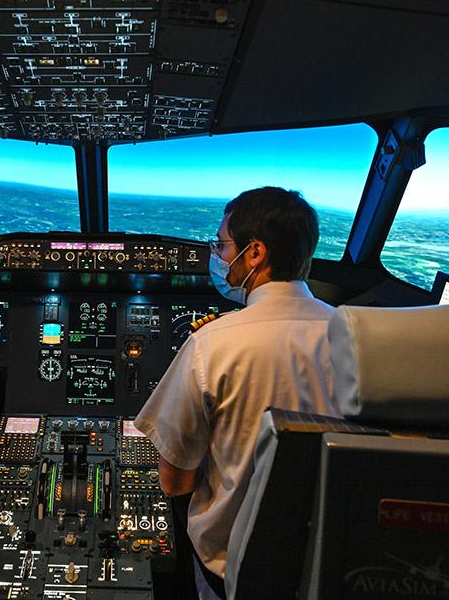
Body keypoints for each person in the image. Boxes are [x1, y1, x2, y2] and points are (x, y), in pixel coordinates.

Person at [133, 187, 340, 600]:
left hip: (230, 570)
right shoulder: (358, 339)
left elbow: (174, 482)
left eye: (222, 245)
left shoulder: (214, 345)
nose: (217, 254)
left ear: (256, 253)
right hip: (326, 566)